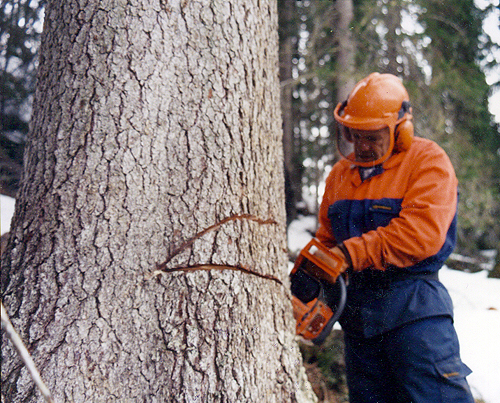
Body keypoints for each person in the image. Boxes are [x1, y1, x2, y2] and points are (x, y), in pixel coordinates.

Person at [315, 72, 475, 402]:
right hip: (359, 322)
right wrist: (306, 283)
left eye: (372, 137)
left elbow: (420, 236)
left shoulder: (427, 162)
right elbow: (325, 241)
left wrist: (349, 255)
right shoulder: (339, 176)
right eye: (353, 135)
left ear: (400, 131)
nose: (361, 145)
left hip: (414, 312)